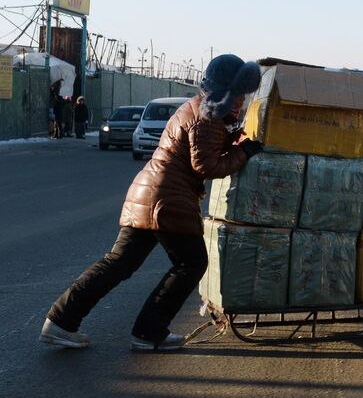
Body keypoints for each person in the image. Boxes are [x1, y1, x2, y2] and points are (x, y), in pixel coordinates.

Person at [40, 54, 264, 351]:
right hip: (169, 198)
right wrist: (245, 151)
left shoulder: (196, 108)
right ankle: (149, 331)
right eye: (237, 96)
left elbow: (199, 149)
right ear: (224, 92)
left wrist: (232, 141)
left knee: (119, 263)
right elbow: (205, 166)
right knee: (191, 263)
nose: (240, 103)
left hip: (148, 192)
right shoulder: (207, 116)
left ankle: (60, 321)